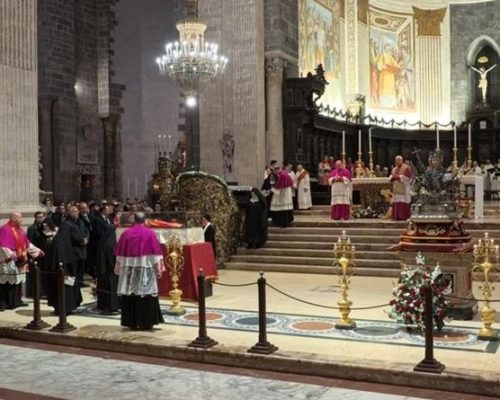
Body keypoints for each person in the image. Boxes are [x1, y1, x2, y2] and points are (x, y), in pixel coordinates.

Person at [114, 212, 164, 331]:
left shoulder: (126, 233)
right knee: (145, 295)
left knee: (131, 294)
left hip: (129, 269)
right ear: (144, 220)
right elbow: (155, 254)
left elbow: (119, 254)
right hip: (145, 267)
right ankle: (146, 322)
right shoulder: (150, 233)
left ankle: (131, 322)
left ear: (134, 220)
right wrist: (158, 268)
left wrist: (119, 266)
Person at [46, 209, 87, 315]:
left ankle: (61, 308)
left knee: (63, 286)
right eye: (74, 212)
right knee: (66, 286)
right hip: (65, 266)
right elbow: (79, 240)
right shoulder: (68, 230)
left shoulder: (60, 238)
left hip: (62, 265)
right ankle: (66, 309)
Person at [0, 212, 44, 310]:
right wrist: (12, 255)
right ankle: (5, 302)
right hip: (9, 260)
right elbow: (3, 245)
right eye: (20, 217)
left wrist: (37, 250)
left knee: (17, 282)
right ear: (13, 218)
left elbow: (27, 244)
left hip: (20, 259)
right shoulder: (5, 229)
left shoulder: (20, 230)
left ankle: (16, 301)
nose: (21, 219)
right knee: (7, 283)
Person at [94, 204, 120, 314]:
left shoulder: (104, 242)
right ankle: (111, 305)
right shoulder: (111, 243)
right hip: (109, 269)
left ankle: (107, 304)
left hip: (105, 269)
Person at [25, 211, 46, 298]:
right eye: (38, 217)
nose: (40, 219)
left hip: (43, 253)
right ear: (35, 218)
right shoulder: (32, 228)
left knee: (42, 274)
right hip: (35, 254)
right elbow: (29, 242)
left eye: (41, 217)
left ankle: (43, 292)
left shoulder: (44, 227)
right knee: (34, 274)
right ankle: (33, 293)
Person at [390, 155, 412, 220]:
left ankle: (404, 216)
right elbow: (391, 176)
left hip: (404, 187)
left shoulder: (406, 168)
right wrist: (393, 178)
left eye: (399, 160)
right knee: (396, 200)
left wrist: (397, 177)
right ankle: (396, 216)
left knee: (404, 200)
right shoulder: (394, 169)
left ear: (401, 160)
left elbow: (407, 177)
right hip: (396, 187)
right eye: (396, 160)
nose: (397, 161)